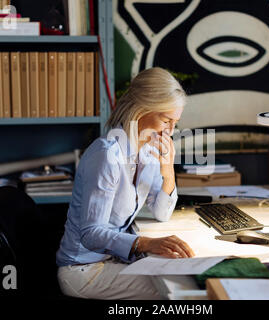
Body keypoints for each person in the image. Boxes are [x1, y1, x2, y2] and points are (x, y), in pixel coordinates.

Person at [56, 67, 195, 300]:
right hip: (83, 270)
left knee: (181, 276)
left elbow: (161, 213)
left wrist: (168, 171)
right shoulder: (106, 155)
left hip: (111, 260)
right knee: (178, 292)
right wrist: (146, 243)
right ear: (141, 110)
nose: (170, 132)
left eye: (175, 123)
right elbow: (91, 234)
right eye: (166, 120)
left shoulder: (148, 152)